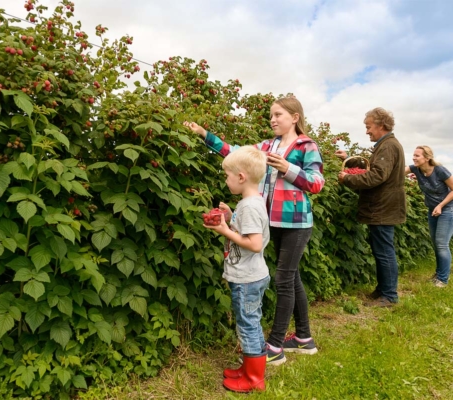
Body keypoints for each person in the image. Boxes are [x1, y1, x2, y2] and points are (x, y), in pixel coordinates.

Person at [184, 95, 324, 367]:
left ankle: (274, 345)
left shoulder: (306, 146)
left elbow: (317, 183)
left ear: (294, 117)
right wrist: (204, 134)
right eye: (271, 115)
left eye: (278, 115)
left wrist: (288, 168)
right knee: (291, 278)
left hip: (296, 222)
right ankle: (304, 339)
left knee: (283, 279)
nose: (272, 119)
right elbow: (236, 154)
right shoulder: (267, 145)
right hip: (272, 220)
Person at [202, 146, 270, 393]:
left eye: (227, 175)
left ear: (241, 177)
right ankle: (249, 369)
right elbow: (246, 231)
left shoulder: (250, 206)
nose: (225, 180)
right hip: (250, 275)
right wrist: (231, 217)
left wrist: (224, 231)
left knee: (247, 324)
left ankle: (254, 379)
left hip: (247, 279)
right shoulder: (248, 203)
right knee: (251, 322)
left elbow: (253, 243)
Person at [336, 107, 406, 307]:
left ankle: (390, 295)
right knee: (380, 249)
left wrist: (348, 178)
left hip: (383, 207)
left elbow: (376, 176)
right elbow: (375, 167)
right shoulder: (386, 145)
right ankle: (384, 289)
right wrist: (348, 158)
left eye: (369, 127)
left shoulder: (388, 146)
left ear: (381, 125)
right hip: (383, 207)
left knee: (384, 250)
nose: (367, 131)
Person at [405, 146, 453, 287]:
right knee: (436, 244)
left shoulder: (440, 171)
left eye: (417, 155)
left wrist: (440, 205)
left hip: (448, 210)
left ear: (427, 158)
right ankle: (439, 274)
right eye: (413, 155)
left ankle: (443, 279)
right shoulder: (415, 169)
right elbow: (396, 172)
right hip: (432, 210)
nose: (414, 158)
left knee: (441, 244)